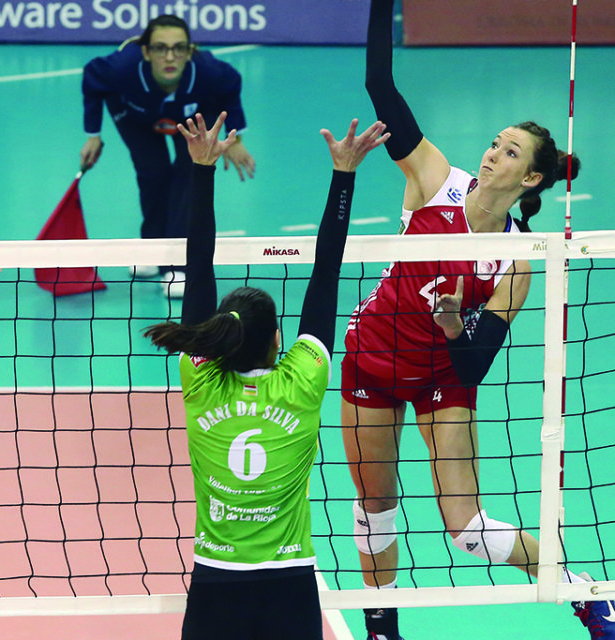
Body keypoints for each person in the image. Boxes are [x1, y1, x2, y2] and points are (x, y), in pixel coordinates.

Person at [340, 2, 605, 639]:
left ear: (531, 176)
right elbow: (381, 87)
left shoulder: (519, 260)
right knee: (376, 504)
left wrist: (459, 324)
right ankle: (382, 627)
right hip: (372, 356)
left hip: (440, 375)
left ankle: (585, 595)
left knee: (464, 527)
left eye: (509, 152)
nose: (491, 156)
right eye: (493, 143)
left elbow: (474, 365)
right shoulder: (436, 182)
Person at [144, 111, 388, 640]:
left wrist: (201, 169)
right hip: (289, 581)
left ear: (215, 335)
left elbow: (198, 263)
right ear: (281, 340)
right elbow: (327, 268)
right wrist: (343, 175)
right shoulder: (301, 380)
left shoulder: (201, 380)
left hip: (216, 581)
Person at [80, 14, 255, 298]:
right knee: (153, 174)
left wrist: (236, 138)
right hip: (136, 114)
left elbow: (231, 85)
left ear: (190, 51)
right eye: (161, 48)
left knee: (189, 175)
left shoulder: (208, 71)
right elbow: (92, 77)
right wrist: (93, 135)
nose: (170, 56)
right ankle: (151, 246)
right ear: (146, 52)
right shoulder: (121, 69)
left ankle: (177, 264)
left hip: (194, 113)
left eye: (179, 48)